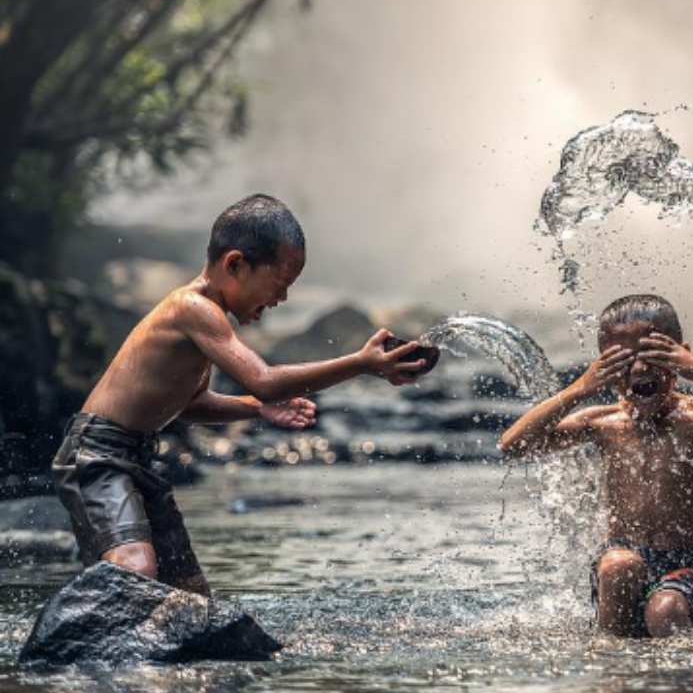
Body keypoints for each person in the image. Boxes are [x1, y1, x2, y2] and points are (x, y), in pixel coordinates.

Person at [53, 194, 430, 596]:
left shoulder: (208, 321)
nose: (281, 299)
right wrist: (361, 362)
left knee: (190, 594)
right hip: (97, 455)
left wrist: (255, 409)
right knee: (136, 566)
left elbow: (192, 405)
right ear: (235, 264)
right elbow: (264, 379)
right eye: (280, 284)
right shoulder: (192, 308)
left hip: (136, 457)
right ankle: (72, 637)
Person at [499, 294, 693, 637]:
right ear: (602, 366)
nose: (639, 369)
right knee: (620, 566)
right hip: (618, 557)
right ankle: (611, 669)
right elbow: (513, 446)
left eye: (652, 355)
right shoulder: (602, 422)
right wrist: (580, 388)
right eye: (621, 361)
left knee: (666, 613)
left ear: (681, 356)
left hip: (685, 562)